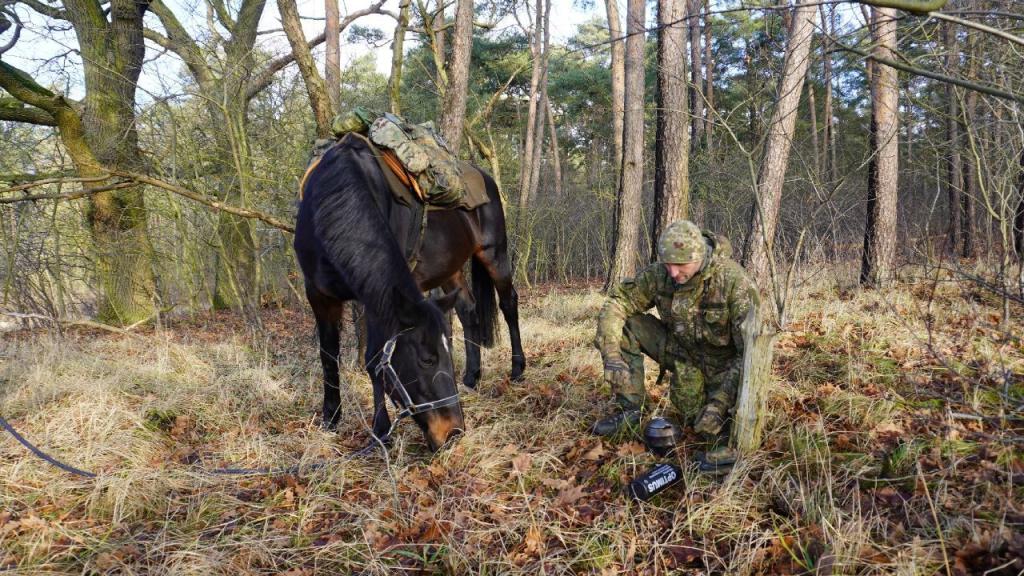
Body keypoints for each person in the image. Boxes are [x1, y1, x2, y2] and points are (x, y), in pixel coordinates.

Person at [592, 220, 760, 448]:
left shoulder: (734, 282)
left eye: (681, 264)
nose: (672, 271)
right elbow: (618, 303)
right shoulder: (661, 274)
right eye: (668, 263)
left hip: (723, 368)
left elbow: (750, 354)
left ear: (699, 256)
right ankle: (630, 411)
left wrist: (720, 403)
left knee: (710, 429)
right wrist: (612, 355)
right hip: (681, 352)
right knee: (628, 324)